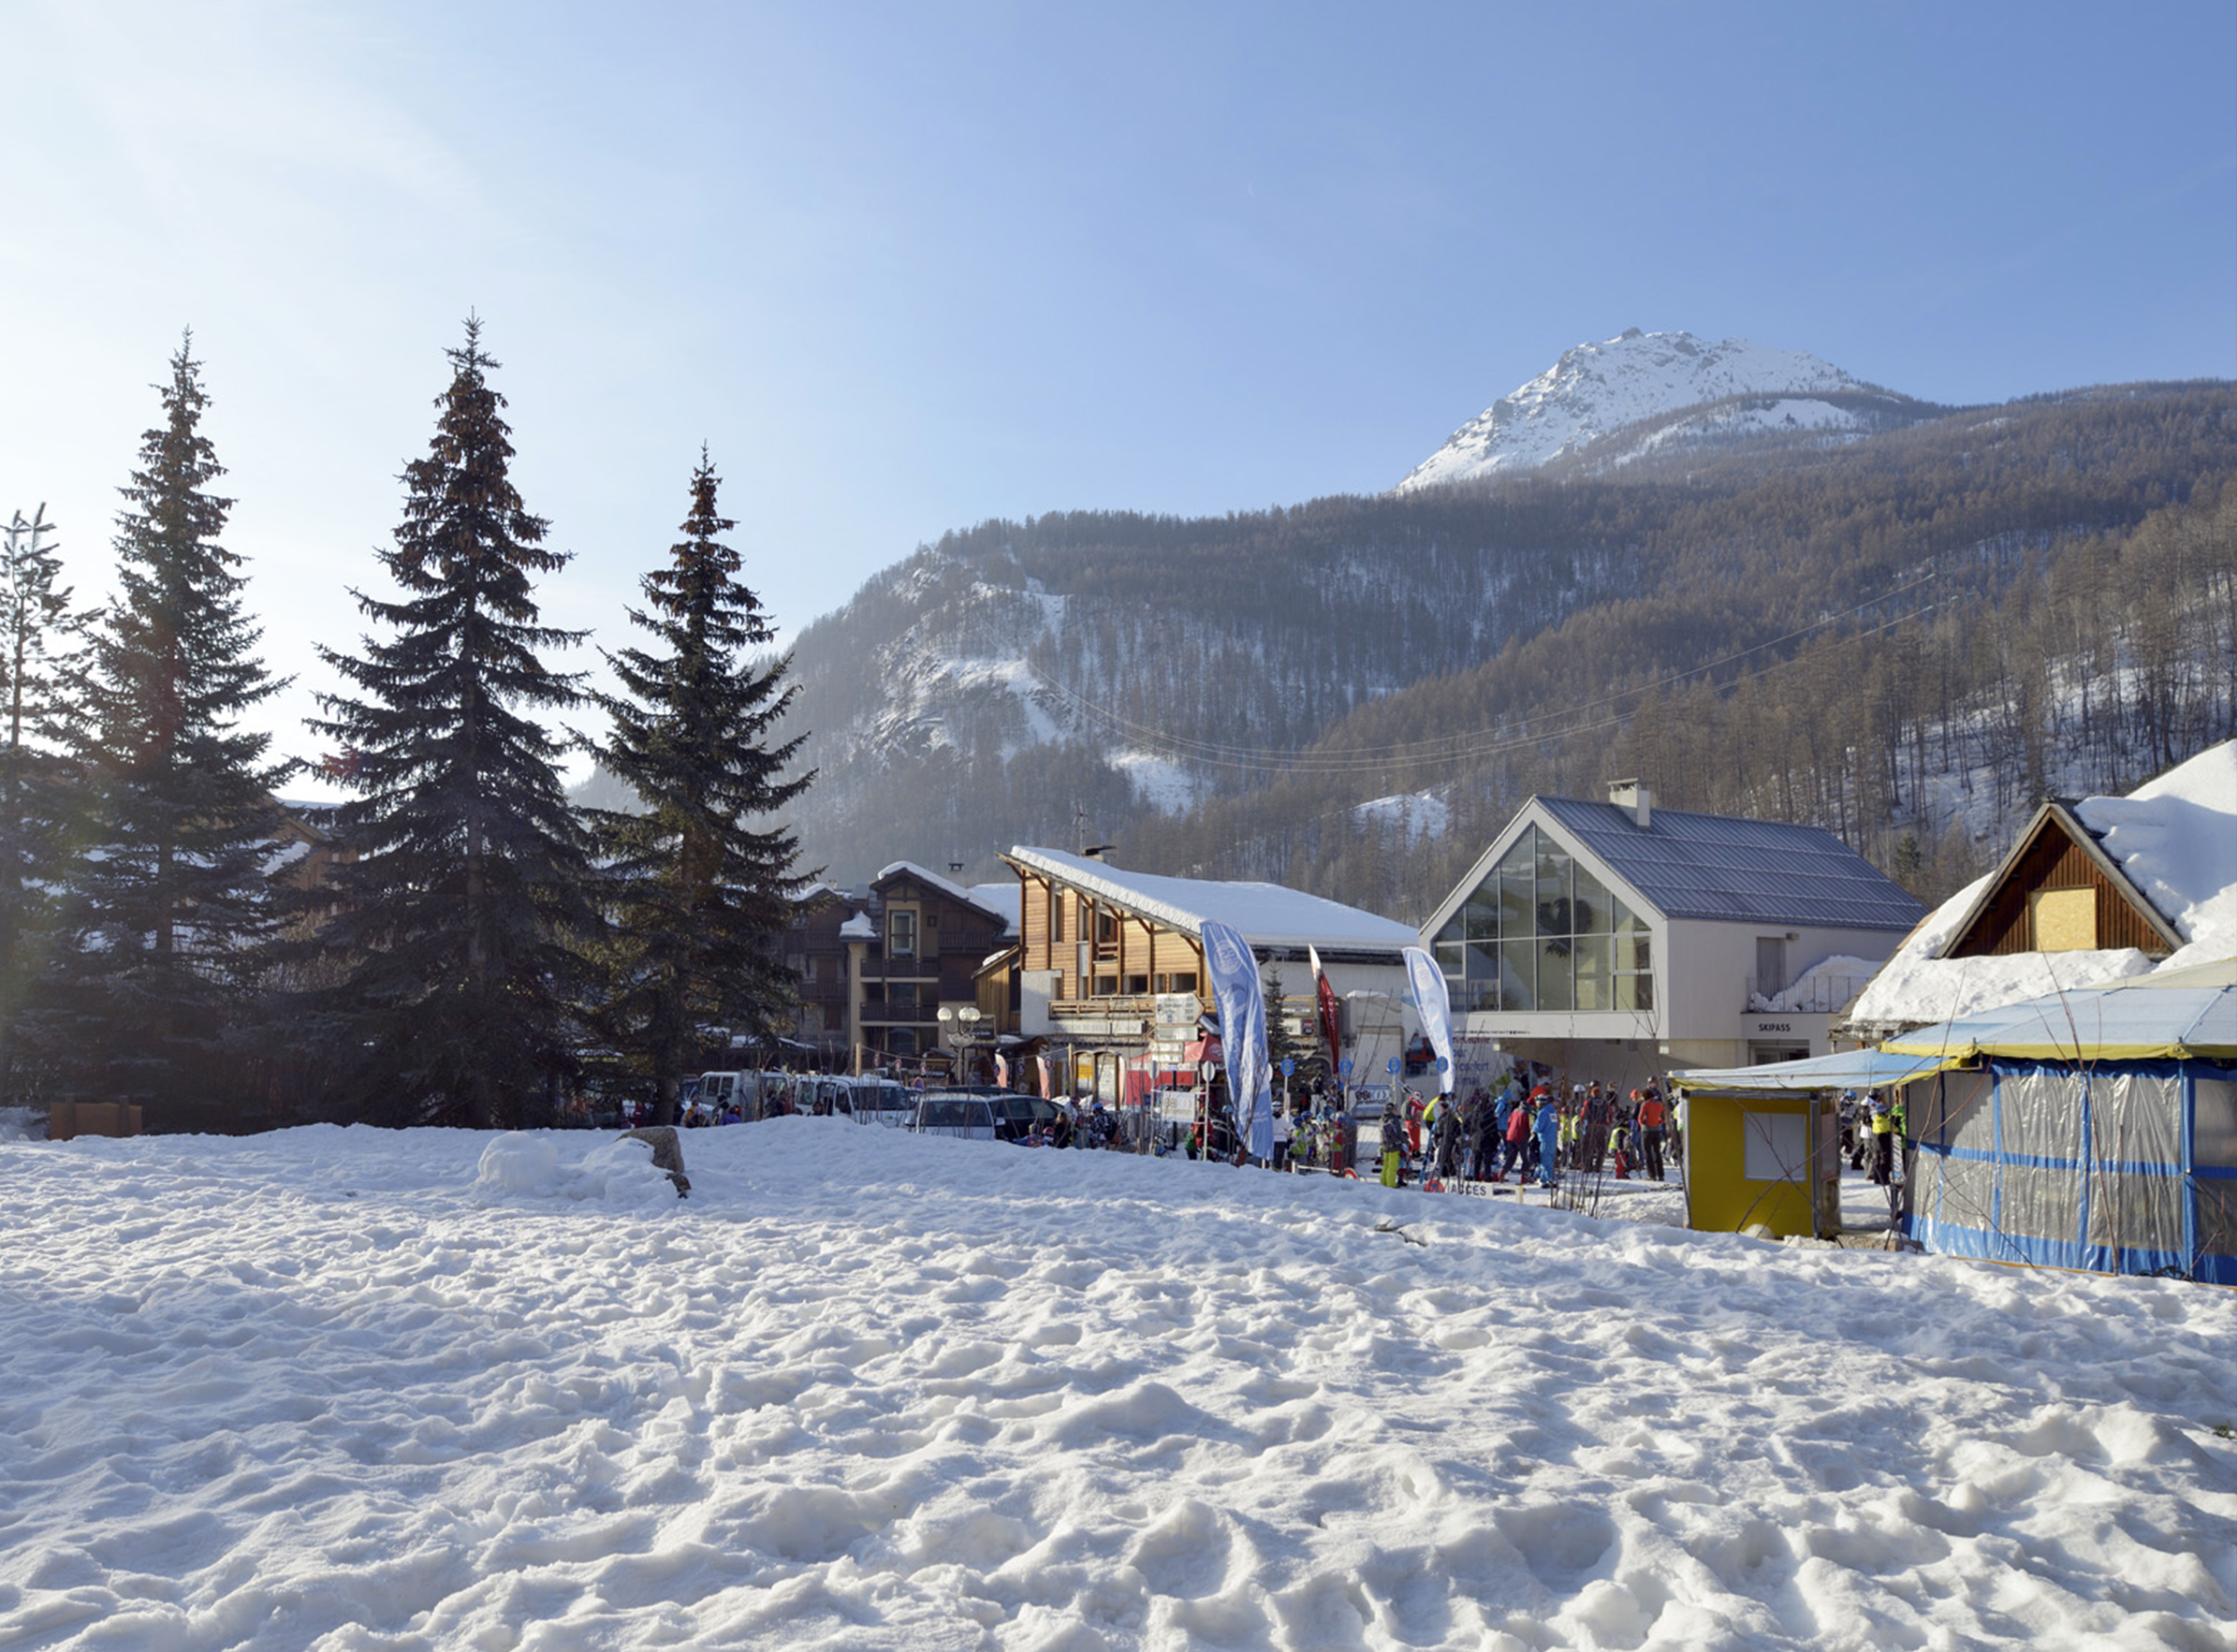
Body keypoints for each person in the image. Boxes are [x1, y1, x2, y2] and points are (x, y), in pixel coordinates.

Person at [1635, 1087, 1667, 1182]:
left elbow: (1640, 1118)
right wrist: (1657, 1122)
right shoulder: (1659, 1104)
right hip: (1656, 1130)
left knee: (1647, 1152)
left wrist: (1642, 1125)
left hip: (1646, 1130)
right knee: (1657, 1152)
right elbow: (1663, 1117)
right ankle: (1661, 1174)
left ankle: (1652, 1174)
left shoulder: (1645, 1104)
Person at [1534, 1087, 1562, 1190]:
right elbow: (1556, 1125)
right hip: (1553, 1138)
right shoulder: (1553, 1111)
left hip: (1545, 1138)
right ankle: (1549, 1178)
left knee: (1545, 1161)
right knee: (1550, 1160)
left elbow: (1538, 1127)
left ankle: (1547, 1179)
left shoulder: (1543, 1112)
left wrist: (1533, 1128)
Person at [1868, 1091, 1895, 1186]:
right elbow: (1895, 1129)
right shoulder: (1885, 1122)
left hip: (1875, 1142)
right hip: (1883, 1142)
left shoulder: (1875, 1120)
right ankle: (1884, 1179)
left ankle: (1877, 1178)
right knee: (1885, 1160)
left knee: (1877, 1160)